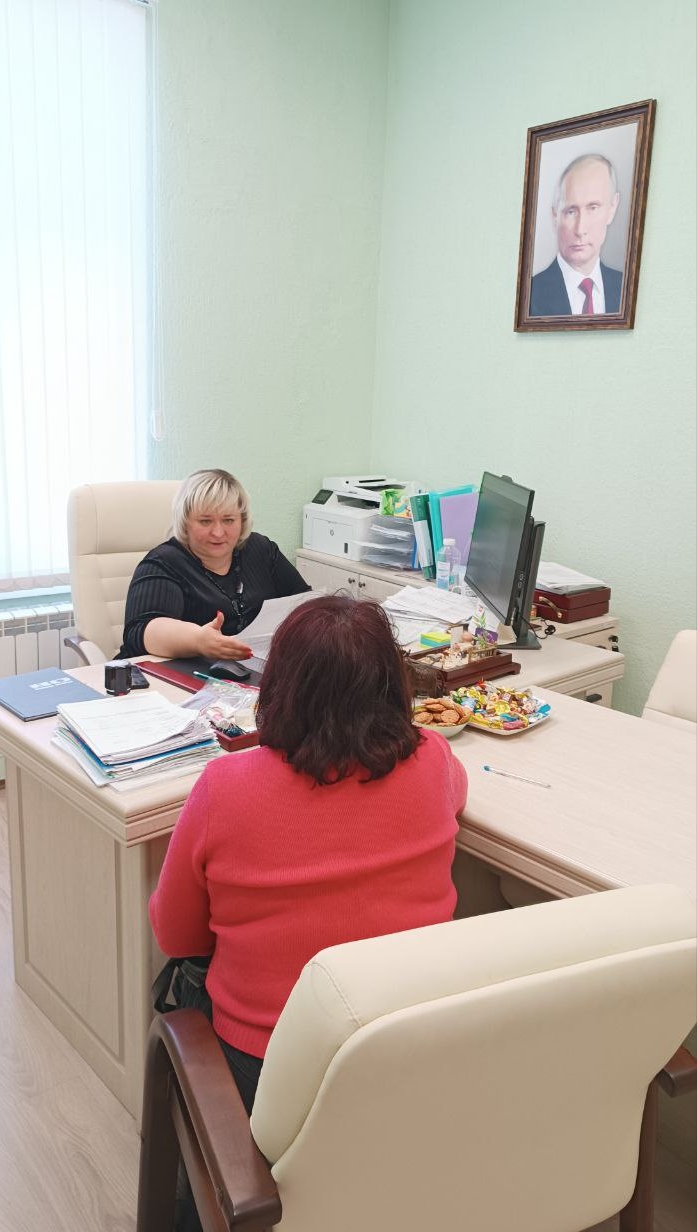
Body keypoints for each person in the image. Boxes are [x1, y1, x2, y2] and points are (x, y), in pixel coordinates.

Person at [149, 595, 467, 1117]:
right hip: (408, 1049)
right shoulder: (434, 758)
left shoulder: (224, 787)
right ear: (394, 685)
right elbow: (453, 794)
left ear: (278, 686)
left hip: (267, 1066)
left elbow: (176, 936)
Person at [118, 468, 309, 660]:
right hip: (175, 672)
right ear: (185, 522)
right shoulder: (163, 562)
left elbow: (305, 604)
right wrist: (198, 641)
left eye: (228, 520)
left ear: (242, 521)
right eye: (205, 521)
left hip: (249, 669)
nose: (218, 532)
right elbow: (141, 631)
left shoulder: (261, 549)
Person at [530, 153, 623, 317]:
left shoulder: (625, 287)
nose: (580, 230)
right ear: (555, 216)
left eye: (593, 208)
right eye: (571, 211)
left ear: (612, 208)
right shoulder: (530, 294)